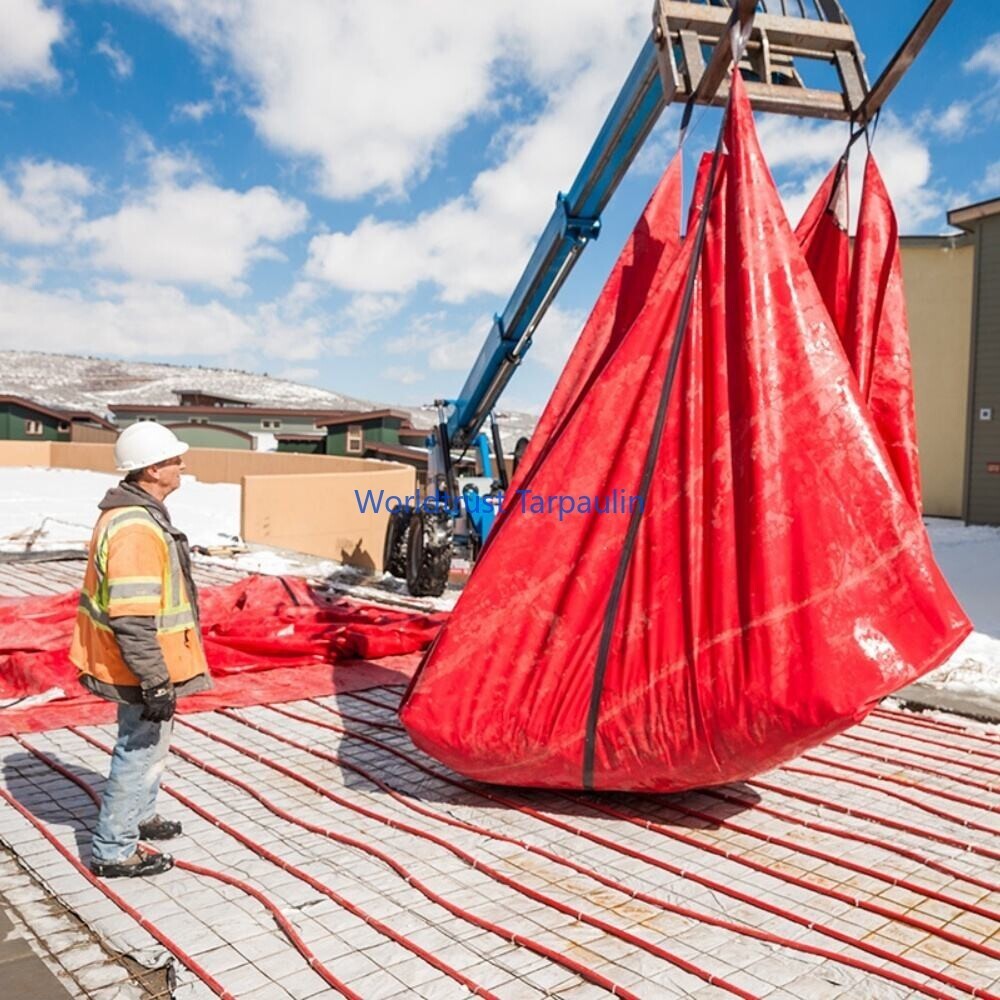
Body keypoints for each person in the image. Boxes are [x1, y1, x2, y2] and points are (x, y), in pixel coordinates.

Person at [70, 423, 211, 878]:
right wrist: (154, 680)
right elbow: (131, 618)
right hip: (139, 666)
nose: (180, 465)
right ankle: (113, 849)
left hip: (146, 663)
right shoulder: (135, 528)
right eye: (173, 460)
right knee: (139, 748)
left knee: (153, 744)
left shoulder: (139, 514)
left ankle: (139, 816)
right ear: (152, 469)